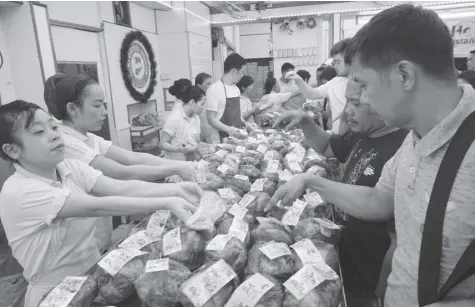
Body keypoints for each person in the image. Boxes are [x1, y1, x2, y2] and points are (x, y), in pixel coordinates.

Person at [266, 4, 475, 307]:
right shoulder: (414, 139)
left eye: (363, 84)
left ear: (404, 75)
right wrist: (314, 182)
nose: (359, 101)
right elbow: (379, 200)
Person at [0, 100, 202, 307]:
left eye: (53, 127)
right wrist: (169, 201)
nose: (54, 134)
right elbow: (97, 205)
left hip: (94, 280)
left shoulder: (69, 167)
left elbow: (122, 188)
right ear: (13, 150)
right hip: (54, 295)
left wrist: (176, 190)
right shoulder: (19, 191)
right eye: (38, 132)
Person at [274, 79, 407, 307]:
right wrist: (306, 121)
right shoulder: (364, 133)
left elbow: (383, 210)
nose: (346, 112)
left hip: (372, 272)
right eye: (347, 102)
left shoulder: (403, 148)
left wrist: (381, 293)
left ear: (381, 102)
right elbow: (327, 146)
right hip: (347, 254)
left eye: (355, 103)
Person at [43, 74, 198, 253]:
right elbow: (123, 174)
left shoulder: (89, 138)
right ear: (72, 108)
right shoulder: (68, 143)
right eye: (97, 105)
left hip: (97, 233)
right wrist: (176, 175)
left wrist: (179, 170)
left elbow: (132, 158)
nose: (104, 112)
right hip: (80, 242)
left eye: (104, 104)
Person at [285, 39, 350, 134]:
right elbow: (312, 94)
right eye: (334, 62)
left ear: (350, 60)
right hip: (338, 135)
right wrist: (299, 80)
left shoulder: (362, 83)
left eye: (338, 62)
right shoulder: (334, 83)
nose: (335, 66)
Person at [201, 53, 246, 143]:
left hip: (236, 136)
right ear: (234, 71)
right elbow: (211, 118)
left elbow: (237, 114)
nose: (242, 76)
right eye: (242, 72)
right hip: (220, 137)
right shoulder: (214, 89)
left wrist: (245, 123)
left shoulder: (236, 89)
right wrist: (228, 129)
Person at [160, 86, 205, 161]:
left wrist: (214, 146)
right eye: (202, 104)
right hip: (175, 163)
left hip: (191, 161)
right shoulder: (175, 117)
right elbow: (162, 144)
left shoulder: (196, 118)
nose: (203, 108)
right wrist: (178, 149)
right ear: (192, 102)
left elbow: (197, 142)